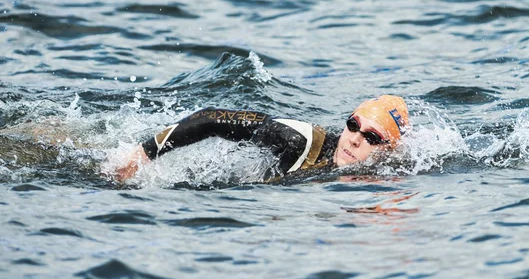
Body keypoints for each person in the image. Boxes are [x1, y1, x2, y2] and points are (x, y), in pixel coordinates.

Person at [114, 95, 410, 182]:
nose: (355, 139)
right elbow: (209, 118)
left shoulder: (391, 172)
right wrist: (140, 156)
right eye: (353, 125)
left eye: (372, 137)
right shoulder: (297, 141)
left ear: (389, 150)